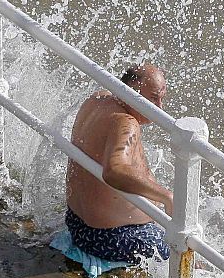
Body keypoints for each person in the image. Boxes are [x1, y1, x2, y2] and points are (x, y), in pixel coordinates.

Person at [64, 64, 172, 264]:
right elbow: (114, 170)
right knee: (189, 259)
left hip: (76, 223)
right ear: (131, 92)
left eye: (161, 98)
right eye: (153, 98)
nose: (159, 108)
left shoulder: (98, 99)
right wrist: (166, 197)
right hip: (110, 237)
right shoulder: (126, 122)